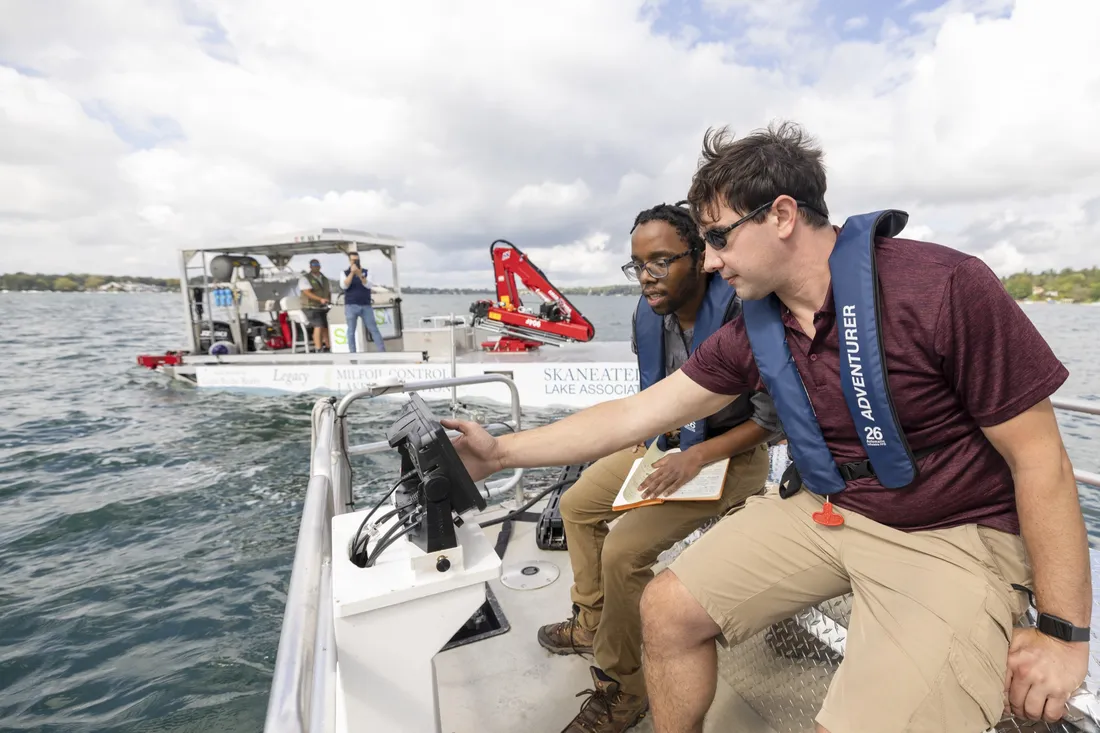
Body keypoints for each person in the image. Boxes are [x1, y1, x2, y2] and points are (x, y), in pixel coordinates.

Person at [443, 121, 1090, 733]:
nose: (712, 262)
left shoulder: (944, 288)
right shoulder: (757, 326)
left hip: (950, 531)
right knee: (666, 610)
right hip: (831, 503)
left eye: (719, 237)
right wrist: (499, 451)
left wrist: (1064, 632)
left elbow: (1042, 460)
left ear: (781, 215)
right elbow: (637, 413)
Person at [537, 202, 780, 733]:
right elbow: (652, 402)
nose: (646, 278)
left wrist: (696, 455)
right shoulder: (648, 313)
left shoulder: (744, 313)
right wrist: (667, 448)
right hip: (666, 443)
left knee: (624, 550)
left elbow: (770, 421)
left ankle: (626, 688)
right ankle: (593, 621)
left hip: (729, 454)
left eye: (661, 261)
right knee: (576, 506)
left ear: (700, 257)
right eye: (637, 264)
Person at [342, 251, 386, 352]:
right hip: (351, 305)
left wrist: (360, 274)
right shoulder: (344, 273)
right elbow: (344, 285)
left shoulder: (367, 272)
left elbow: (368, 285)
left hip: (366, 305)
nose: (355, 262)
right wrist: (352, 273)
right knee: (351, 331)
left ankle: (382, 352)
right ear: (349, 261)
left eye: (357, 260)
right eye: (353, 260)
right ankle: (352, 354)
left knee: (373, 329)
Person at [298, 258, 331, 352]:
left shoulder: (325, 279)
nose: (316, 266)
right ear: (310, 266)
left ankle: (329, 346)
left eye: (317, 264)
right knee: (319, 325)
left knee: (326, 325)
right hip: (310, 307)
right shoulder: (304, 278)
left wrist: (328, 301)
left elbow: (328, 292)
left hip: (323, 307)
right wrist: (320, 299)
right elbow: (307, 292)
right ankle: (318, 348)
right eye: (314, 265)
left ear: (320, 266)